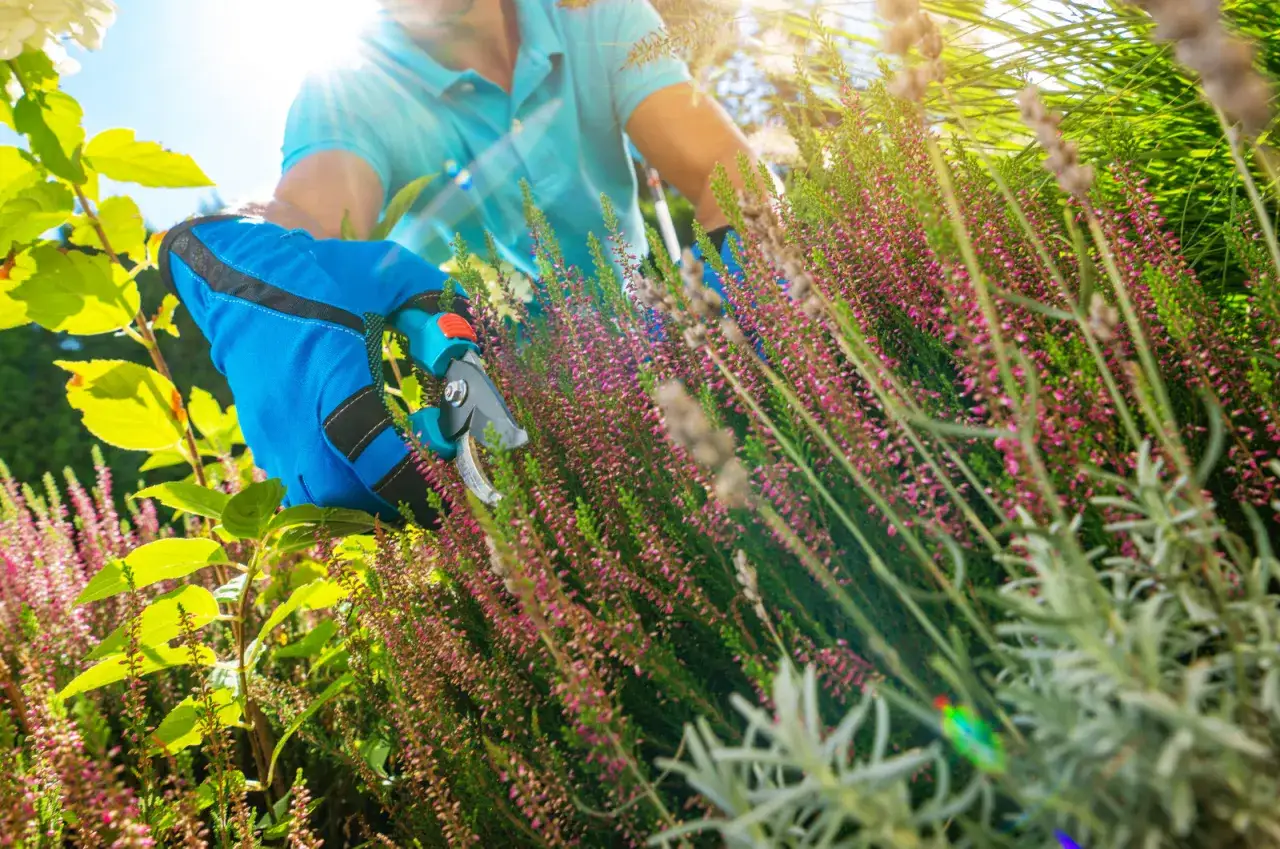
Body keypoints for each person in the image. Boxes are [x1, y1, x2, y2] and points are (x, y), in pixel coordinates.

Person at [158, 0, 769, 527]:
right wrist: (242, 254)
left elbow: (731, 177)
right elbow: (304, 214)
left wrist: (739, 303)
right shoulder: (350, 90)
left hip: (658, 361)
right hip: (507, 435)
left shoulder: (594, 16)